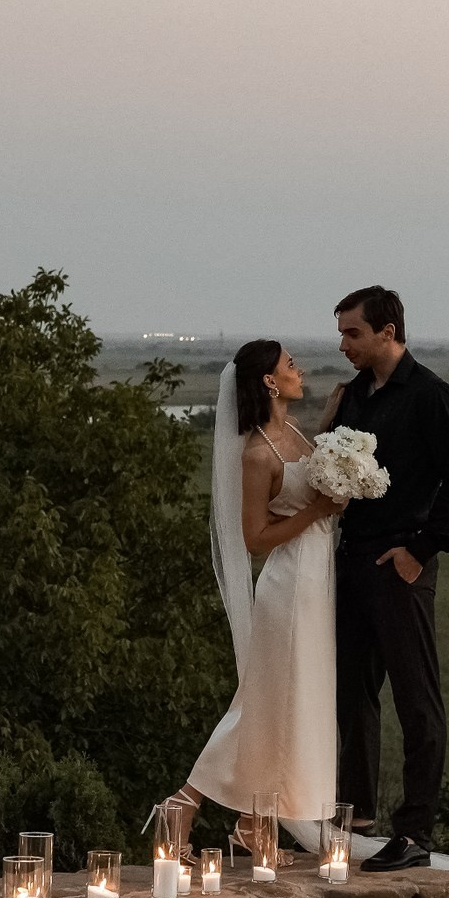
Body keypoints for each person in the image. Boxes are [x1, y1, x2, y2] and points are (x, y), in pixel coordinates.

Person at [324, 287, 449, 873]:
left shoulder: (434, 397)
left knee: (417, 700)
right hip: (352, 561)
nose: (343, 345)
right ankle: (357, 817)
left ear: (388, 331)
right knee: (352, 692)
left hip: (401, 565)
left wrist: (420, 551)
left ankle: (415, 833)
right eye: (341, 334)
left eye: (353, 334)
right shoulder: (355, 397)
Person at [170, 341, 345, 834]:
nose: (299, 370)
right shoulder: (255, 453)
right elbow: (254, 538)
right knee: (264, 701)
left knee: (286, 703)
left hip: (316, 581)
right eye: (290, 365)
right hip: (287, 587)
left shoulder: (293, 431)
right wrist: (316, 511)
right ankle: (184, 801)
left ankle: (253, 818)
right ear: (269, 381)